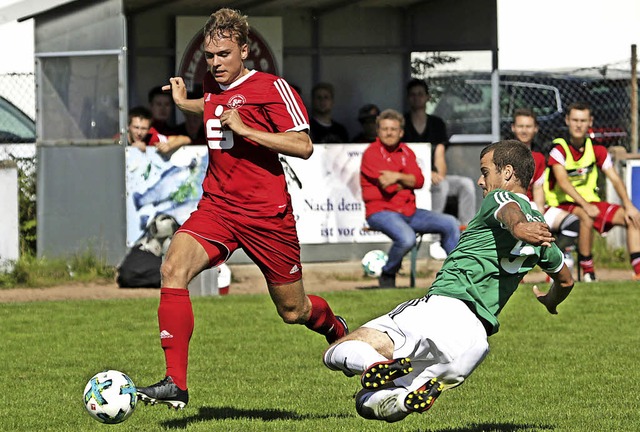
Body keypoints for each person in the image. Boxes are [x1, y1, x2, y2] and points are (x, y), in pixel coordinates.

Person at [136, 8, 348, 409]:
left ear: (245, 51)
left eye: (224, 54)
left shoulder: (273, 87)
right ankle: (175, 384)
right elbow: (216, 105)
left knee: (293, 310)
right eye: (210, 55)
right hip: (218, 207)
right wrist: (185, 103)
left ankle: (334, 325)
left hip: (267, 217)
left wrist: (248, 129)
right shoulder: (211, 85)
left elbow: (303, 145)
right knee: (172, 268)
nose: (216, 63)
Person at [324, 139, 575, 423]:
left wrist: (517, 226)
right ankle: (404, 398)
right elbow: (565, 281)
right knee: (378, 401)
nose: (481, 181)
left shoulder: (503, 199)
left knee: (336, 351)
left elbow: (508, 211)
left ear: (506, 173)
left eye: (485, 171)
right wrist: (550, 301)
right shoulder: (542, 233)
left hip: (442, 308)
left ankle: (374, 364)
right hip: (473, 341)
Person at [360, 108, 460, 288]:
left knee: (450, 222)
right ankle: (388, 273)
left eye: (393, 129)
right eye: (385, 129)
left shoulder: (407, 151)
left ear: (401, 132)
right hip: (380, 212)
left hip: (409, 211)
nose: (389, 133)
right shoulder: (371, 153)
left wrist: (397, 176)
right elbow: (386, 185)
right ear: (378, 131)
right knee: (407, 239)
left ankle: (457, 272)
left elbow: (420, 181)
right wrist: (406, 180)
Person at [545, 101, 640, 282]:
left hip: (590, 202)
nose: (578, 125)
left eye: (583, 120)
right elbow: (563, 183)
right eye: (574, 120)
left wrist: (628, 205)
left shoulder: (597, 149)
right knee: (585, 217)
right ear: (567, 121)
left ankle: (638, 271)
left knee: (633, 217)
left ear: (590, 122)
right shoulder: (558, 150)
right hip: (563, 204)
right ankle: (588, 271)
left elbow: (614, 178)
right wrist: (586, 205)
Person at [403, 78, 477, 227]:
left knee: (466, 184)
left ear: (427, 97)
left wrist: (439, 175)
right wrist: (425, 173)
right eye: (412, 94)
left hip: (434, 178)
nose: (417, 98)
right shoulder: (402, 123)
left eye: (420, 94)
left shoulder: (437, 124)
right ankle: (434, 231)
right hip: (410, 178)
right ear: (408, 98)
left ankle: (467, 231)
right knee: (442, 186)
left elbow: (440, 155)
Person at [511, 108, 581, 253]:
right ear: (513, 128)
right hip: (511, 207)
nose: (524, 130)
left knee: (572, 223)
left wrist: (540, 214)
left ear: (535, 129)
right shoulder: (504, 154)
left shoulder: (539, 157)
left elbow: (538, 188)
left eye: (528, 126)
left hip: (533, 206)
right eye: (520, 126)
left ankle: (554, 259)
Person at [123, 106, 191, 156]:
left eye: (144, 128)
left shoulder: (151, 137)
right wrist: (131, 149)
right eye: (136, 127)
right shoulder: (119, 140)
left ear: (149, 129)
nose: (139, 133)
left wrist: (169, 146)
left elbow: (186, 139)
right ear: (128, 126)